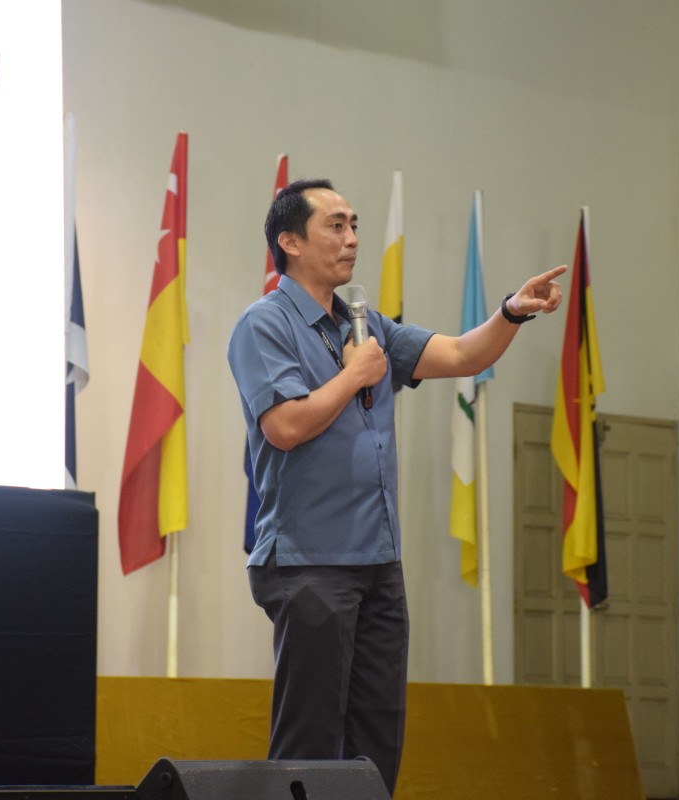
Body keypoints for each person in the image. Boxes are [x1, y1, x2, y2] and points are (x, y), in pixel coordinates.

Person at [226, 178, 564, 795]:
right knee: (309, 741)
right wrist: (353, 375)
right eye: (335, 225)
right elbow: (285, 426)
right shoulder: (264, 323)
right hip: (309, 560)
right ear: (290, 241)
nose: (352, 238)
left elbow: (461, 355)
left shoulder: (366, 324)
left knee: (377, 740)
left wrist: (513, 310)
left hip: (378, 563)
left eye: (355, 224)